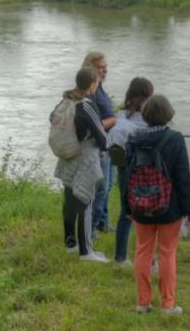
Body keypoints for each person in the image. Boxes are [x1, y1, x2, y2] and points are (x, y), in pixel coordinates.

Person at [124, 94, 190, 315]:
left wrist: (127, 207)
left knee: (142, 251)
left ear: (146, 115)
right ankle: (168, 304)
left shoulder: (133, 138)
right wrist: (188, 209)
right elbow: (183, 178)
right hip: (168, 206)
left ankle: (143, 302)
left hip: (140, 204)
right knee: (167, 253)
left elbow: (125, 176)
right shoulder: (175, 139)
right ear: (168, 114)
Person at [55, 66, 110, 263]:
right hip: (85, 158)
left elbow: (51, 119)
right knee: (86, 201)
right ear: (92, 84)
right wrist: (105, 148)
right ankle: (87, 252)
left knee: (69, 199)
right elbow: (100, 133)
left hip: (67, 155)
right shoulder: (86, 105)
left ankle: (70, 244)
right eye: (96, 82)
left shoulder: (66, 100)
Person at [107, 76, 155, 263]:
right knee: (149, 213)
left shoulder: (121, 115)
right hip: (146, 171)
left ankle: (120, 256)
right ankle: (148, 258)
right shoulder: (149, 116)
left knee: (125, 213)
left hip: (124, 169)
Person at [82, 50, 118, 234]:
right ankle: (92, 230)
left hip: (108, 144)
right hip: (97, 148)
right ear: (90, 68)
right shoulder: (89, 92)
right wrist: (114, 121)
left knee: (109, 184)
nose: (104, 71)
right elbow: (91, 124)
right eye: (100, 68)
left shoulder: (100, 87)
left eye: (106, 67)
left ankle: (103, 222)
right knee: (101, 188)